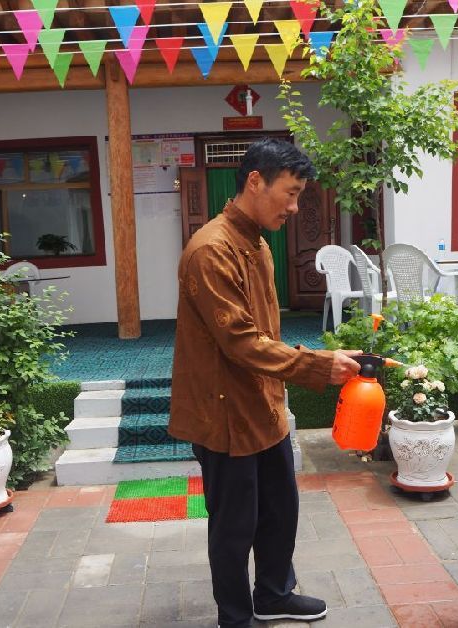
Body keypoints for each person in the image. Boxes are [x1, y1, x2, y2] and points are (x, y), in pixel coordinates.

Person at [169, 138, 362, 628]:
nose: (294, 207)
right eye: (290, 193)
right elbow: (240, 342)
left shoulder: (256, 242)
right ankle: (235, 618)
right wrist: (316, 365)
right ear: (255, 181)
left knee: (280, 509)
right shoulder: (211, 249)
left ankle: (274, 594)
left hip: (265, 403)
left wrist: (305, 369)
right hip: (224, 413)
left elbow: (265, 335)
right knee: (234, 525)